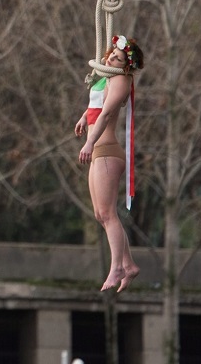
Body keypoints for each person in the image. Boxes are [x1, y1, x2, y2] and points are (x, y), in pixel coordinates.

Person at [75, 33, 144, 292]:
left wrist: (90, 143)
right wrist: (83, 118)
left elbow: (105, 114)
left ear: (125, 65)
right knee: (99, 214)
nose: (110, 59)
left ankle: (117, 267)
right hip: (99, 150)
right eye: (111, 55)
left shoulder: (121, 81)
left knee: (108, 213)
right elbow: (95, 107)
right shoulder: (106, 78)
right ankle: (129, 264)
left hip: (106, 150)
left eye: (116, 58)